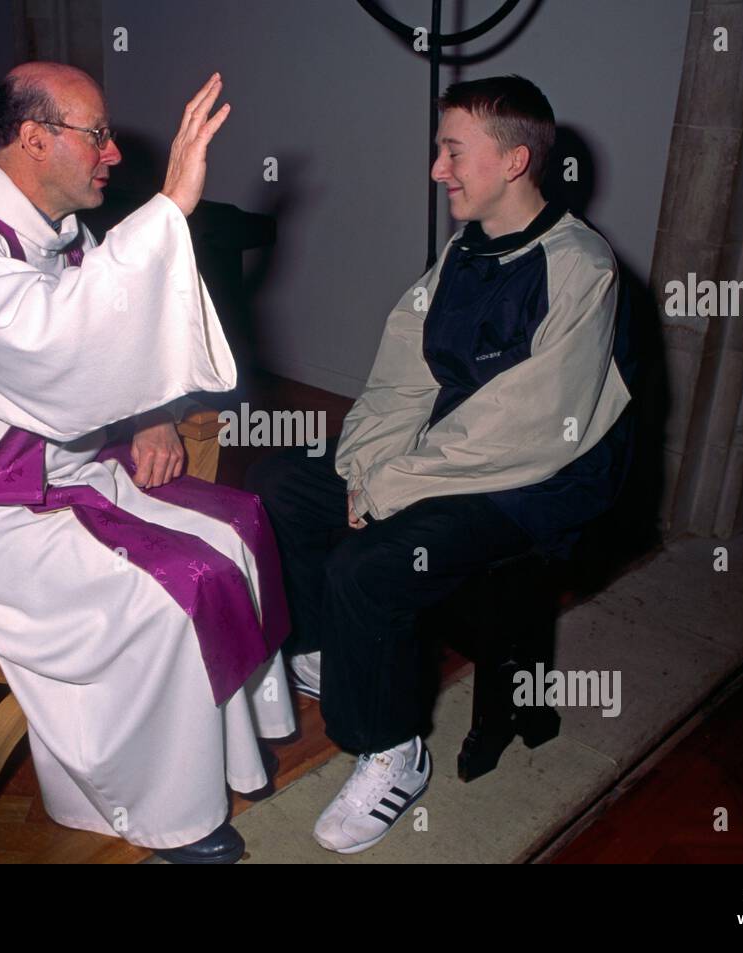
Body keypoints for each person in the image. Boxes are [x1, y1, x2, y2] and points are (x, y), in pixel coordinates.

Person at [0, 63, 294, 864]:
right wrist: (168, 207)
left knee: (240, 523)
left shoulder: (61, 230)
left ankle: (237, 745)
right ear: (34, 139)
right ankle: (163, 805)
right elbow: (46, 339)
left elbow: (108, 346)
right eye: (95, 134)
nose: (111, 152)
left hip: (70, 466)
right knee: (166, 590)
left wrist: (151, 413)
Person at [246, 75, 635, 855]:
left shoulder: (581, 266)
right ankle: (328, 653)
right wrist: (362, 462)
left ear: (516, 159)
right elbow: (406, 370)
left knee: (369, 564)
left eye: (452, 150)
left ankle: (391, 746)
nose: (436, 168)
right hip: (458, 450)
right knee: (291, 489)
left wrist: (392, 485)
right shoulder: (467, 250)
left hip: (540, 479)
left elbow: (523, 428)